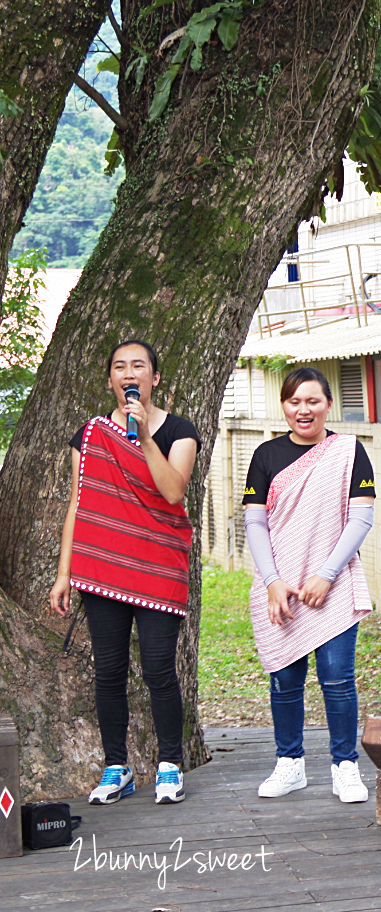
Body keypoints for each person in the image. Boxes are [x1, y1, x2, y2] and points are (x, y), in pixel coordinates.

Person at [49, 340, 199, 806]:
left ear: (154, 378)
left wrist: (145, 437)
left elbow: (173, 491)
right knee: (109, 671)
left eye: (139, 366)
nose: (129, 373)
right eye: (120, 366)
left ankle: (170, 766)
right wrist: (63, 574)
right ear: (110, 379)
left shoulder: (180, 431)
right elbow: (79, 503)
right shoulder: (90, 435)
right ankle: (117, 767)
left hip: (158, 567)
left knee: (159, 669)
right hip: (104, 567)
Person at [242, 367, 375, 803]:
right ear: (284, 405)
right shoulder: (265, 455)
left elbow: (360, 518)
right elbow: (255, 522)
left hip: (331, 584)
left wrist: (327, 574)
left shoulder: (349, 451)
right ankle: (290, 763)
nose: (304, 410)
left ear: (328, 404)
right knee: (284, 679)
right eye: (295, 402)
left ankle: (345, 765)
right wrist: (273, 581)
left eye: (313, 401)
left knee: (337, 679)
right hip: (278, 586)